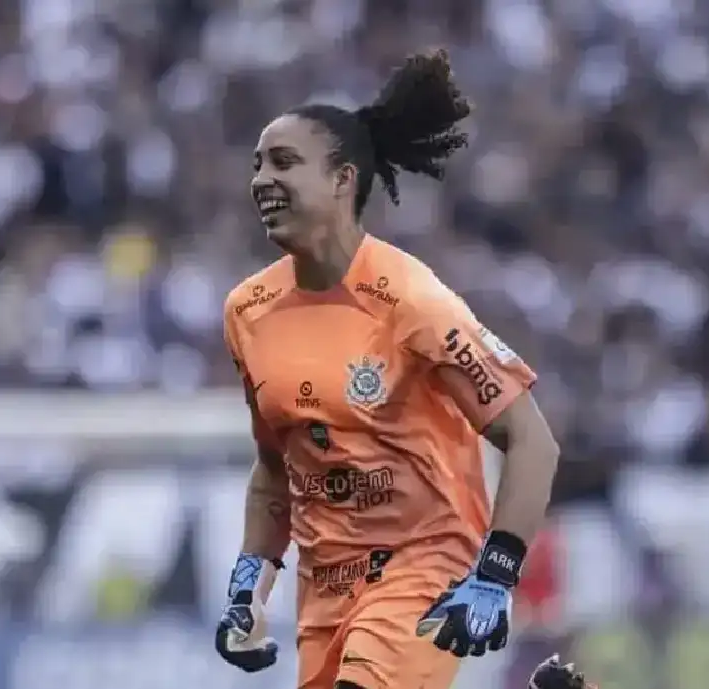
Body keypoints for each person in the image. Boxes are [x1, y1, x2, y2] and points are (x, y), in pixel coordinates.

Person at [211, 49, 562, 689]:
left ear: (344, 179)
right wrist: (247, 585)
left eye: (284, 163)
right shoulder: (247, 311)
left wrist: (496, 573)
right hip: (325, 587)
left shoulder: (411, 300)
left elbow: (532, 440)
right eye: (257, 164)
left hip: (425, 566)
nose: (262, 178)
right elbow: (274, 467)